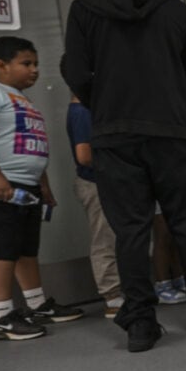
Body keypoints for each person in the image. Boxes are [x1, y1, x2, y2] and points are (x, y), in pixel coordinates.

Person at [61, 0, 186, 352]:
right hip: (173, 131)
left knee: (130, 230)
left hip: (115, 134)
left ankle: (140, 325)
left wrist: (108, 106)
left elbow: (75, 71)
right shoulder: (180, 14)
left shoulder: (85, 7)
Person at [0, 36, 83, 340]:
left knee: (25, 248)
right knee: (3, 249)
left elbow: (32, 147)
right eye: (26, 63)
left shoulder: (23, 99)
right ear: (1, 65)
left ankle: (36, 305)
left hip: (26, 184)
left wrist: (43, 184)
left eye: (35, 64)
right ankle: (2, 318)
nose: (34, 70)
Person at [66, 94, 123, 319]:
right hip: (94, 182)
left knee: (113, 237)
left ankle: (118, 291)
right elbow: (84, 155)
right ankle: (112, 295)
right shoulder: (82, 112)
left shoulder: (90, 109)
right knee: (105, 239)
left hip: (103, 182)